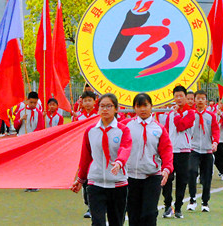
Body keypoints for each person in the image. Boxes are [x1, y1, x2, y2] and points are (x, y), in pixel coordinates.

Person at [71, 93, 132, 226]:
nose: (105, 109)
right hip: (95, 184)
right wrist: (80, 179)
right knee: (97, 222)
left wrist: (119, 162)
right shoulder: (90, 131)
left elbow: (126, 148)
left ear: (116, 108)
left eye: (109, 106)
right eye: (102, 106)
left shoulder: (123, 130)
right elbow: (86, 156)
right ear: (97, 109)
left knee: (116, 222)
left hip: (118, 184)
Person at [124, 92, 172, 226]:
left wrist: (167, 168)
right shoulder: (126, 126)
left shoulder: (159, 128)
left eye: (145, 105)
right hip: (131, 176)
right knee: (133, 213)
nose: (143, 109)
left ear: (151, 106)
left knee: (149, 213)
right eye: (139, 106)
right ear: (134, 108)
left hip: (152, 176)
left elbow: (166, 150)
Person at [159, 85, 194, 219]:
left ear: (185, 97)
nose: (178, 99)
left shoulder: (190, 113)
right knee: (166, 179)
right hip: (170, 151)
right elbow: (166, 131)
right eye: (176, 96)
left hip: (184, 151)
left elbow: (180, 126)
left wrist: (176, 114)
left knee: (181, 180)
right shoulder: (170, 113)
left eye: (181, 96)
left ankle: (178, 207)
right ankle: (168, 206)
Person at [186, 90, 218, 212]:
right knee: (192, 171)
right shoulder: (190, 114)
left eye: (202, 98)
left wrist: (215, 142)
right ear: (194, 100)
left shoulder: (211, 116)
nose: (200, 100)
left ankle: (205, 202)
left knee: (207, 177)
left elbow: (215, 130)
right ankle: (192, 199)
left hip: (207, 150)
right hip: (193, 149)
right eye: (198, 98)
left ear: (206, 101)